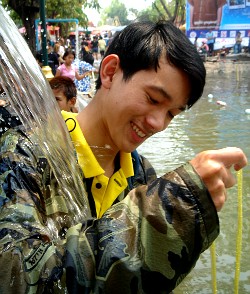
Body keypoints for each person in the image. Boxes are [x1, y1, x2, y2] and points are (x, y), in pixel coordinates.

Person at [0, 20, 247, 293]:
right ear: (110, 72)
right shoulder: (23, 154)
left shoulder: (142, 174)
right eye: (153, 99)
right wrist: (174, 206)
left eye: (171, 114)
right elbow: (18, 278)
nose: (157, 123)